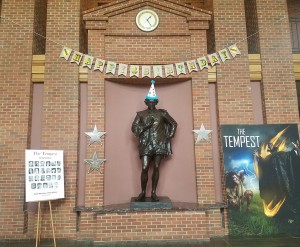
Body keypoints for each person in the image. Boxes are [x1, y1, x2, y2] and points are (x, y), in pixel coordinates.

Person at [132, 80, 177, 202]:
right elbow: (134, 129)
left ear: (156, 102)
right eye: (149, 101)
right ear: (146, 102)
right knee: (145, 167)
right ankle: (142, 192)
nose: (151, 103)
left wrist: (169, 136)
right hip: (146, 144)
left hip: (159, 143)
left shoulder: (162, 113)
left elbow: (173, 123)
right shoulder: (140, 114)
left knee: (156, 167)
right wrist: (145, 127)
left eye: (153, 101)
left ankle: (153, 193)